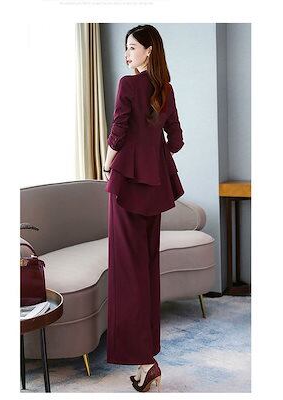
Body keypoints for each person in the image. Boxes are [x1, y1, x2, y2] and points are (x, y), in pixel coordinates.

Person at [103, 24, 185, 393]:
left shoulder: (127, 85)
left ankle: (145, 361)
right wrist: (152, 153)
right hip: (155, 190)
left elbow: (118, 131)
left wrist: (108, 164)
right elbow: (176, 141)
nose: (127, 54)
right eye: (126, 48)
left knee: (128, 273)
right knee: (147, 271)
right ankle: (147, 358)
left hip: (127, 188)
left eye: (133, 47)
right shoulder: (166, 89)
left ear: (149, 50)